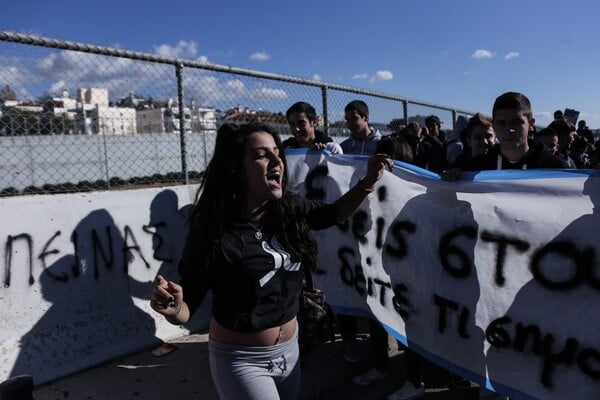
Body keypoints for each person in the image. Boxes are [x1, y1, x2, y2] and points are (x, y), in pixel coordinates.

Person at [150, 122, 392, 400]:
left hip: (291, 351)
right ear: (236, 168)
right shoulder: (213, 231)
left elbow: (334, 213)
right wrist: (174, 306)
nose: (277, 160)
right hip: (242, 361)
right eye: (262, 155)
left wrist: (368, 182)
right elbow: (188, 306)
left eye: (277, 152)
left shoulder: (289, 208)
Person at [441, 91, 567, 181]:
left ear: (531, 123)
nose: (509, 130)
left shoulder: (556, 168)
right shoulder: (474, 167)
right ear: (494, 125)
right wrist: (453, 174)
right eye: (501, 123)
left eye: (517, 122)